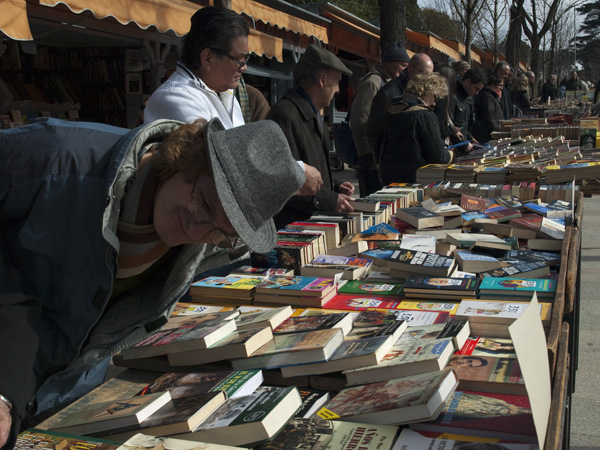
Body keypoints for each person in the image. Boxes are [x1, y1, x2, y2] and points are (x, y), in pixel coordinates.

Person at [0, 116, 308, 449]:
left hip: (53, 395)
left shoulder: (204, 244)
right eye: (203, 202)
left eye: (220, 232)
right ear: (189, 159)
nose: (194, 231)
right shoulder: (58, 157)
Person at [143, 6, 322, 198]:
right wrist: (296, 171)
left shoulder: (226, 94)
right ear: (208, 58)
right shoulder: (175, 98)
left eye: (246, 58)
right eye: (239, 59)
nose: (244, 67)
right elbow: (221, 163)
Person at [267, 44, 357, 229]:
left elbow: (309, 169)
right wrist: (330, 199)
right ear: (322, 80)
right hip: (293, 228)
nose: (338, 89)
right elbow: (285, 180)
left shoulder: (312, 113)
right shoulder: (286, 114)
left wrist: (334, 185)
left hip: (309, 223)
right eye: (337, 82)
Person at [349, 41, 410, 197]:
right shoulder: (372, 83)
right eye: (402, 65)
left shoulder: (390, 82)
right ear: (388, 63)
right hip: (370, 161)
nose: (405, 69)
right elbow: (360, 120)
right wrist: (368, 155)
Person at [377, 72, 453, 185]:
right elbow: (439, 157)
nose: (435, 103)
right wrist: (450, 154)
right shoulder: (424, 115)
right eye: (436, 97)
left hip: (389, 176)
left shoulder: (390, 109)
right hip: (417, 178)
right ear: (428, 92)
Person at [366, 53, 434, 161]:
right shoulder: (389, 93)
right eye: (422, 73)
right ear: (410, 67)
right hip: (392, 164)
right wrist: (380, 161)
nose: (426, 79)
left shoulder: (422, 93)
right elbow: (375, 131)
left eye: (429, 76)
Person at [452, 67, 486, 152]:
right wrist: (464, 144)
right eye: (476, 88)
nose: (477, 93)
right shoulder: (453, 97)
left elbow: (464, 125)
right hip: (454, 147)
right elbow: (452, 126)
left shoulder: (468, 99)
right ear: (467, 82)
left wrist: (469, 136)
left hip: (463, 145)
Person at [472, 74, 504, 143]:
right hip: (487, 135)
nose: (502, 88)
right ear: (492, 84)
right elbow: (489, 115)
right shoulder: (488, 96)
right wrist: (496, 132)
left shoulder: (493, 96)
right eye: (500, 85)